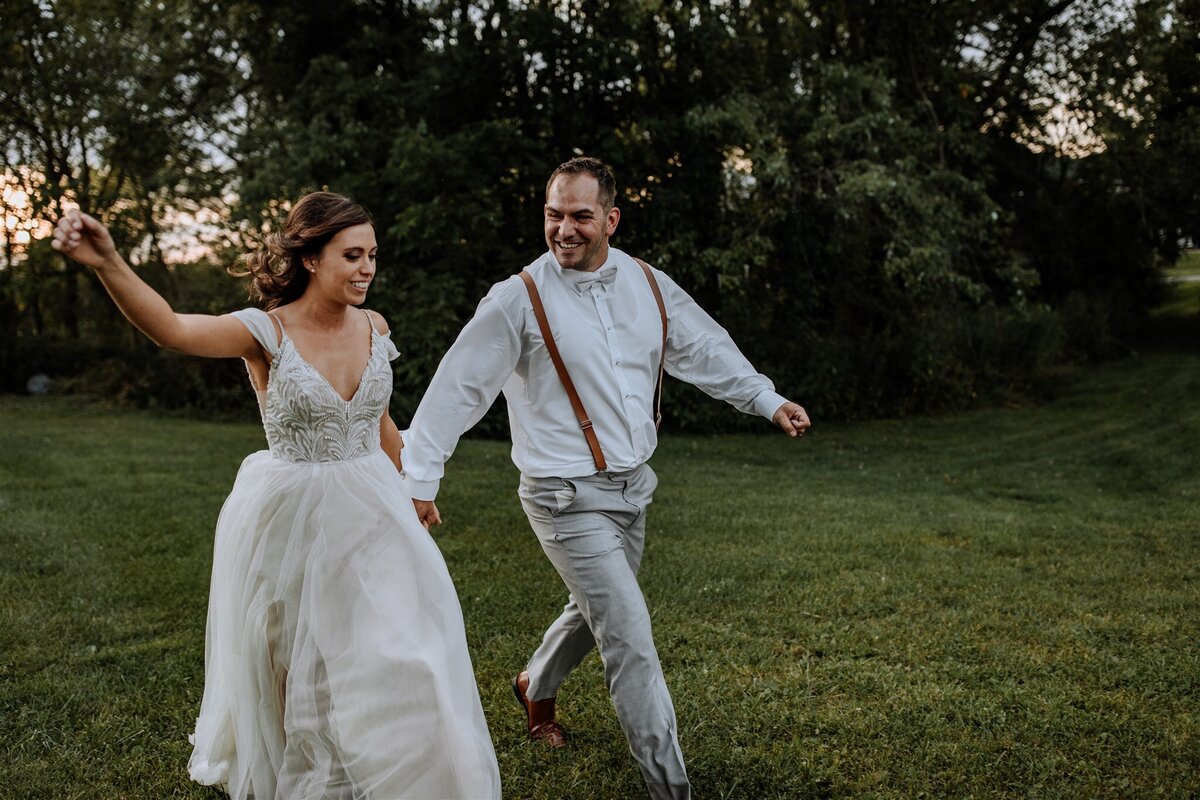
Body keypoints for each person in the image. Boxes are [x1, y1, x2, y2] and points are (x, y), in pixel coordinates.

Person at [50, 193, 501, 800]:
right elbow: (174, 330)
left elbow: (379, 418)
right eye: (352, 255)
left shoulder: (375, 325)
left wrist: (414, 483)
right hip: (293, 514)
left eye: (373, 255)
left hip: (374, 506)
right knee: (296, 669)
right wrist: (108, 262)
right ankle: (308, 779)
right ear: (311, 258)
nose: (368, 268)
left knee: (405, 649)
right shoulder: (265, 331)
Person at [400, 157, 811, 800]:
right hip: (561, 497)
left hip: (631, 489)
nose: (564, 229)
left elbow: (705, 348)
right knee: (630, 639)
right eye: (553, 215)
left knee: (590, 610)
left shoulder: (647, 284)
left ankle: (534, 684)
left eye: (580, 216)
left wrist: (765, 399)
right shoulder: (518, 298)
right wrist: (420, 477)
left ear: (610, 220)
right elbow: (458, 387)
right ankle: (671, 788)